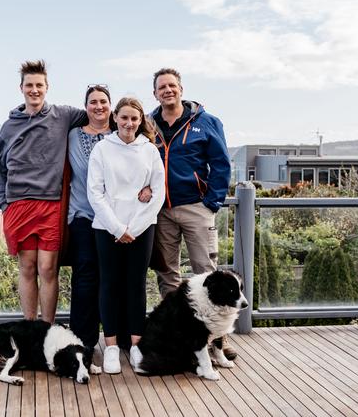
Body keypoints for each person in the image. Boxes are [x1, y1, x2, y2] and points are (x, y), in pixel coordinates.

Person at [148, 67, 234, 358]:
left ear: (181, 90)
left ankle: (217, 342)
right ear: (155, 93)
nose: (167, 91)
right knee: (167, 274)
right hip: (161, 211)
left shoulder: (206, 122)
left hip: (196, 208)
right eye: (162, 87)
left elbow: (221, 164)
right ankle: (178, 336)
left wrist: (211, 202)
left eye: (172, 86)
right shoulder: (149, 125)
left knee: (208, 274)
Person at [0, 60, 87, 323]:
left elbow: (99, 114)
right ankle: (30, 328)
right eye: (29, 85)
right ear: (21, 88)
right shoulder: (9, 126)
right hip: (18, 205)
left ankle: (46, 330)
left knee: (47, 268)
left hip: (51, 204)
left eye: (39, 85)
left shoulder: (64, 114)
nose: (34, 90)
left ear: (47, 87)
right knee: (27, 267)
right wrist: (4, 204)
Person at [67, 85, 151, 349]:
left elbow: (143, 165)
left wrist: (148, 187)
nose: (98, 106)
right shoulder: (72, 136)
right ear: (86, 107)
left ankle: (124, 339)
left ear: (112, 109)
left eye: (103, 101)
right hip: (83, 214)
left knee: (120, 279)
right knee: (86, 277)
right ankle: (83, 342)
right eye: (93, 102)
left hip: (118, 220)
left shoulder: (122, 136)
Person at [87, 97, 165, 374]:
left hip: (142, 229)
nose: (129, 123)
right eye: (124, 118)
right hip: (107, 229)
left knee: (136, 285)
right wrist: (118, 229)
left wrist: (136, 228)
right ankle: (109, 347)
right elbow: (95, 192)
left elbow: (158, 192)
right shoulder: (102, 149)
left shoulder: (150, 151)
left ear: (141, 120)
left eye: (134, 118)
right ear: (115, 118)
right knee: (108, 285)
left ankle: (135, 345)